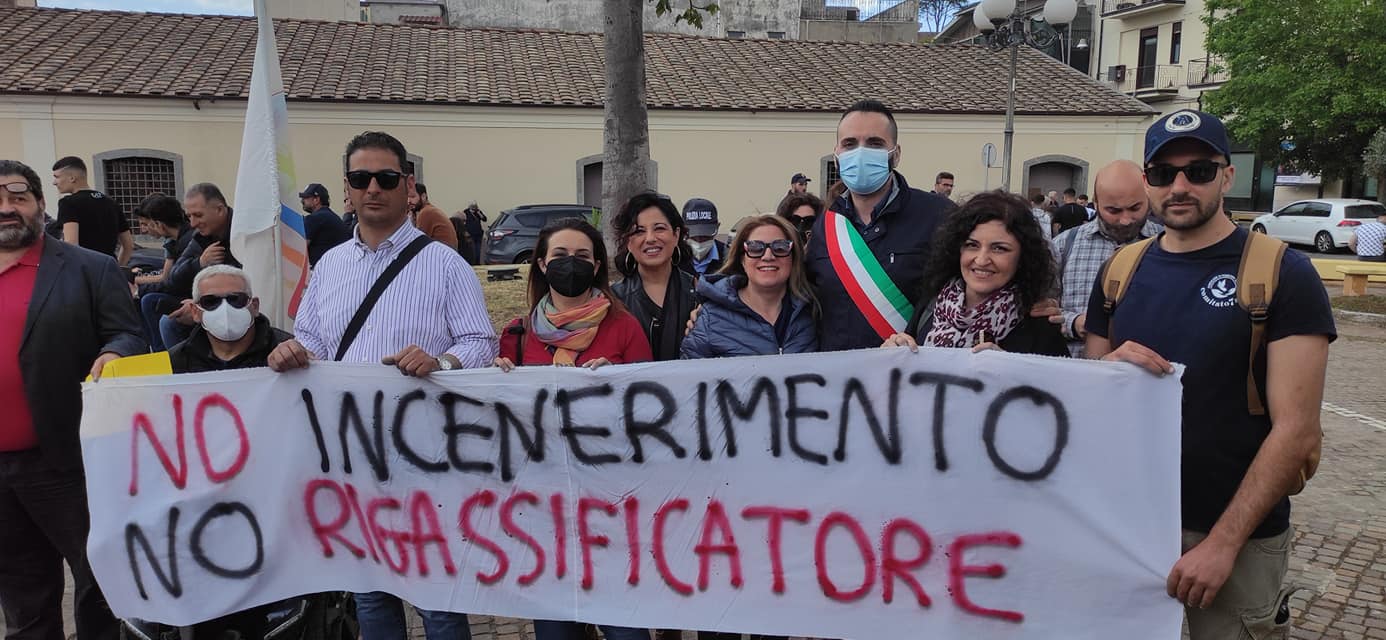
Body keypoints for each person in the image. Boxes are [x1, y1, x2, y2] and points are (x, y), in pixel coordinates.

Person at [1085, 110, 1334, 639]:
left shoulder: (1281, 272)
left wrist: (1222, 544)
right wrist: (1104, 371)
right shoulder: (1121, 270)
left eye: (1198, 171)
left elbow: (1297, 431)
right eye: (1163, 173)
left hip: (1232, 541)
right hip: (1129, 533)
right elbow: (1093, 399)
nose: (1179, 186)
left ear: (1227, 175)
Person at [268, 131, 498, 640]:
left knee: (437, 592)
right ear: (345, 188)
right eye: (360, 178)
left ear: (407, 186)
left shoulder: (445, 264)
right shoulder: (329, 266)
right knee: (371, 590)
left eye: (386, 178)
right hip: (352, 452)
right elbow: (312, 342)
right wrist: (292, 352)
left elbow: (482, 341)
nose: (373, 187)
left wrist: (441, 360)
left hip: (427, 453)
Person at [0, 159, 145, 640]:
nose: (7, 208)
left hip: (69, 461)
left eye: (18, 197)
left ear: (42, 204)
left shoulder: (90, 268)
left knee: (99, 582)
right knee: (22, 593)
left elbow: (128, 334)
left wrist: (112, 352)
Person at [804, 99, 951, 351]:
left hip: (912, 377)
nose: (860, 152)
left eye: (874, 143)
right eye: (849, 144)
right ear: (837, 155)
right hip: (840, 379)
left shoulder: (941, 216)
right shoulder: (823, 228)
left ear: (896, 153)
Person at [880, 191, 1067, 356]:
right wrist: (894, 352)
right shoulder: (931, 305)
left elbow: (1055, 391)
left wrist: (1012, 371)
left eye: (999, 249)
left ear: (1023, 257)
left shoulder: (1040, 325)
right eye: (972, 245)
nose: (981, 260)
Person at [495, 218, 649, 371]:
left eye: (582, 256)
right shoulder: (517, 334)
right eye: (560, 255)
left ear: (595, 267)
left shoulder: (625, 327)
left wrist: (616, 379)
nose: (571, 263)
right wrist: (497, 374)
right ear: (542, 265)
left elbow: (647, 388)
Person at [1050, 160, 1162, 357]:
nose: (1125, 219)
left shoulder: (1167, 245)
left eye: (1135, 208)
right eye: (1113, 210)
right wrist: (1074, 323)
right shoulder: (1063, 245)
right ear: (1096, 202)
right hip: (1075, 372)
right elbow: (1042, 311)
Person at [682, 214, 817, 359]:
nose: (768, 256)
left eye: (780, 247)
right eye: (755, 247)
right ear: (742, 259)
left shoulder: (815, 311)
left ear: (793, 257)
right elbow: (688, 377)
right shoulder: (710, 318)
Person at [611, 192, 699, 362]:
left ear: (676, 234)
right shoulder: (614, 300)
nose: (650, 238)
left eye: (659, 228)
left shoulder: (698, 293)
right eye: (638, 231)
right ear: (628, 242)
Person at [158, 183, 241, 350]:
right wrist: (199, 263)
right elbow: (173, 278)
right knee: (160, 310)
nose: (193, 223)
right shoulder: (201, 238)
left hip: (240, 305)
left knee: (169, 323)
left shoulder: (244, 233)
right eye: (189, 216)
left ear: (219, 209)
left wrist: (203, 307)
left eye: (198, 215)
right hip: (211, 301)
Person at [168, 265, 291, 372]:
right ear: (195, 312)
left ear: (254, 306)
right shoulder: (173, 362)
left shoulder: (289, 353)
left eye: (236, 299)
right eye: (211, 301)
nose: (225, 309)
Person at [131, 194, 195, 349]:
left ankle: (161, 353)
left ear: (159, 224)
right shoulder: (175, 241)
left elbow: (170, 280)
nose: (145, 230)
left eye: (148, 224)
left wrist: (138, 289)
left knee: (149, 300)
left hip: (190, 296)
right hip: (184, 291)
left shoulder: (189, 240)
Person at [50, 156, 133, 265]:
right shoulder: (111, 202)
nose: (54, 182)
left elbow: (71, 245)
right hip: (108, 269)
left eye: (57, 177)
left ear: (72, 178)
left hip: (87, 272)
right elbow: (128, 245)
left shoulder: (68, 203)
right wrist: (118, 269)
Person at [300, 183, 350, 267]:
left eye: (306, 197)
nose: (302, 201)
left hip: (322, 270)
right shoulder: (332, 216)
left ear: (316, 200)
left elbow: (300, 248)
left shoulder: (315, 218)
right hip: (339, 268)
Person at [682, 197, 727, 280]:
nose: (699, 240)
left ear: (717, 227)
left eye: (705, 234)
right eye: (693, 235)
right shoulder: (674, 257)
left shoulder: (729, 257)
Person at [408, 181, 459, 252]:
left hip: (442, 257)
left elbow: (416, 242)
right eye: (407, 197)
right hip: (447, 254)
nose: (409, 201)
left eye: (412, 197)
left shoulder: (426, 212)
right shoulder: (430, 209)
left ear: (423, 196)